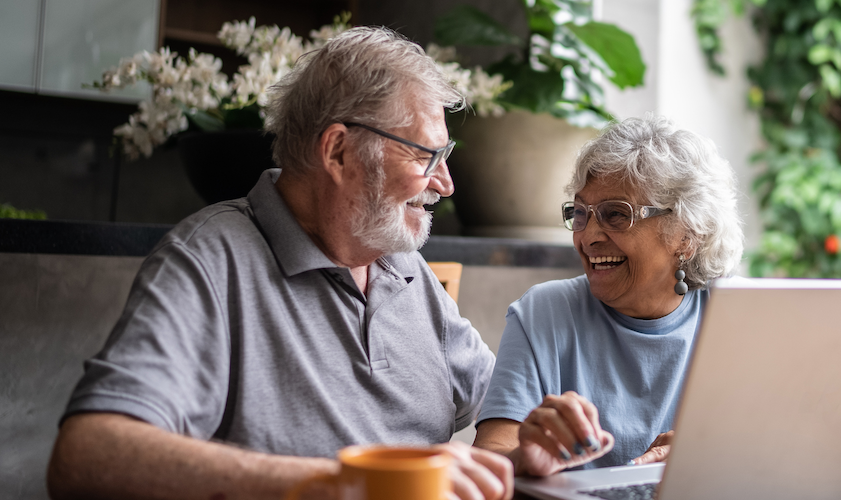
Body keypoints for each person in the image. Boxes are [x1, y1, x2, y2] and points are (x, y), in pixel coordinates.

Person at [46, 27, 512, 500]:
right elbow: (85, 455)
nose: (445, 183)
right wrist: (346, 484)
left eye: (444, 155)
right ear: (338, 151)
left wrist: (503, 458)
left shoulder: (404, 267)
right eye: (425, 155)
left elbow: (506, 404)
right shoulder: (209, 260)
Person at [472, 116, 744, 476]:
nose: (588, 236)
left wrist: (710, 459)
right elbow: (488, 462)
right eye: (581, 214)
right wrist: (524, 459)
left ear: (687, 236)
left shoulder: (735, 320)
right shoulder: (543, 312)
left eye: (616, 215)